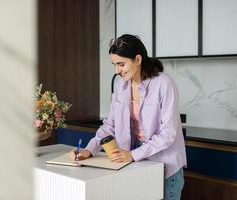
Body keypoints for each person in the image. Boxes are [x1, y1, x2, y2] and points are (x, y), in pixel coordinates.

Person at [70, 34, 187, 200]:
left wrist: (133, 155)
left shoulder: (164, 83)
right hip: (136, 160)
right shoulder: (120, 86)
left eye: (121, 64)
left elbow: (168, 134)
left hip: (165, 161)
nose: (117, 70)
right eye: (114, 65)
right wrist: (90, 149)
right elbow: (110, 125)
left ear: (138, 59)